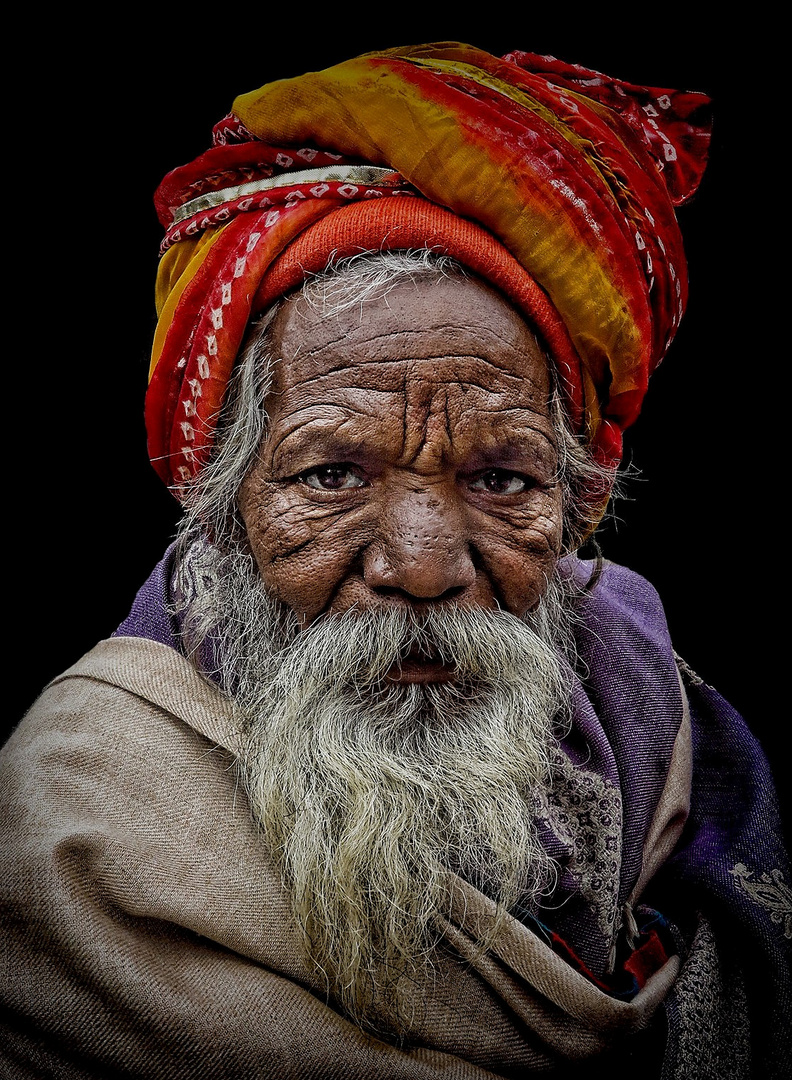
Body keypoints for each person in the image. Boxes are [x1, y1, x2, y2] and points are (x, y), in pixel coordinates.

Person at [1, 41, 789, 1079]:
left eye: (503, 480)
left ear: (578, 504)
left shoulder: (653, 715)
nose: (421, 565)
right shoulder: (74, 824)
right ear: (222, 503)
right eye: (330, 476)